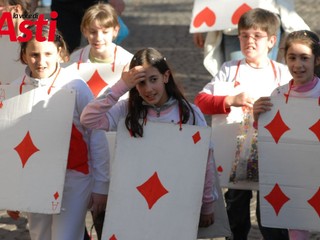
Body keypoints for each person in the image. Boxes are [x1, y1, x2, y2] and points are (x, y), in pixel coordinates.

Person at [80, 47, 218, 228]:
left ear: (165, 77)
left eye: (153, 80)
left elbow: (205, 159)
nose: (148, 89)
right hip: (134, 201)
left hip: (176, 200)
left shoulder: (189, 113)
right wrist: (121, 85)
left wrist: (207, 203)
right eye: (141, 83)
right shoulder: (125, 110)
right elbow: (88, 119)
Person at [194, 8, 292, 240]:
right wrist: (230, 100)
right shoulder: (229, 70)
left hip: (273, 156)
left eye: (257, 36)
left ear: (271, 41)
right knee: (236, 212)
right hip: (236, 155)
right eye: (244, 35)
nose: (249, 41)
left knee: (271, 215)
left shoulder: (283, 74)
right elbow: (200, 102)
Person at [6, 24, 110, 240]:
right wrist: (10, 192)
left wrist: (101, 184)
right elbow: (8, 141)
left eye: (47, 54)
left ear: (60, 54)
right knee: (40, 235)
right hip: (33, 175)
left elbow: (96, 135)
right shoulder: (13, 90)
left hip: (74, 175)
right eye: (34, 54)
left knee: (66, 236)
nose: (40, 61)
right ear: (24, 55)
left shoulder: (75, 86)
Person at [64, 3, 132, 239]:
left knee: (106, 215)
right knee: (72, 212)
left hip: (115, 148)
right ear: (84, 31)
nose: (98, 37)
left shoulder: (128, 63)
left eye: (104, 31)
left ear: (115, 31)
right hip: (80, 149)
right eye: (92, 31)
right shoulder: (73, 62)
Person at [253, 29, 320, 240]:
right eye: (292, 58)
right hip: (293, 176)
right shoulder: (277, 96)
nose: (297, 65)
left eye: (304, 58)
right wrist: (257, 116)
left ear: (317, 60)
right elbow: (268, 138)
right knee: (297, 229)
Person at [193, 0, 310, 77]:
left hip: (266, 15)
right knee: (237, 77)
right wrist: (199, 21)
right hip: (231, 24)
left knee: (267, 76)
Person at [50, 0, 125, 53]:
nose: (98, 37)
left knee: (103, 42)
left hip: (94, 2)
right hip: (63, 4)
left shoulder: (125, 58)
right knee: (63, 45)